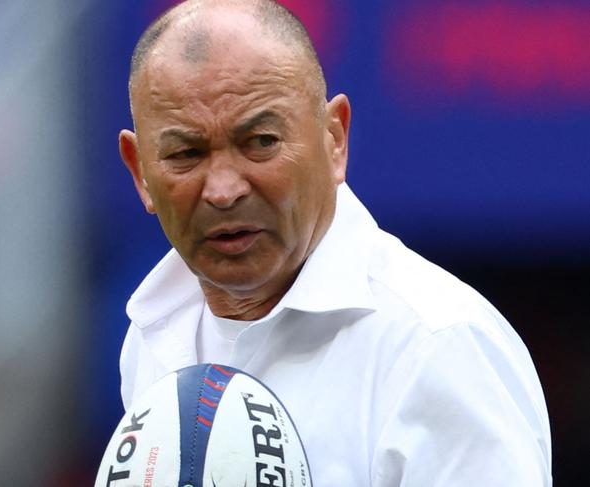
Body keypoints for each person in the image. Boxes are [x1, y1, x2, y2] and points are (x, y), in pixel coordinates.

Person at [117, 0, 552, 485]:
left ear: (335, 138)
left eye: (261, 141)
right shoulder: (152, 333)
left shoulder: (438, 348)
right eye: (186, 153)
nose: (224, 188)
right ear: (139, 171)